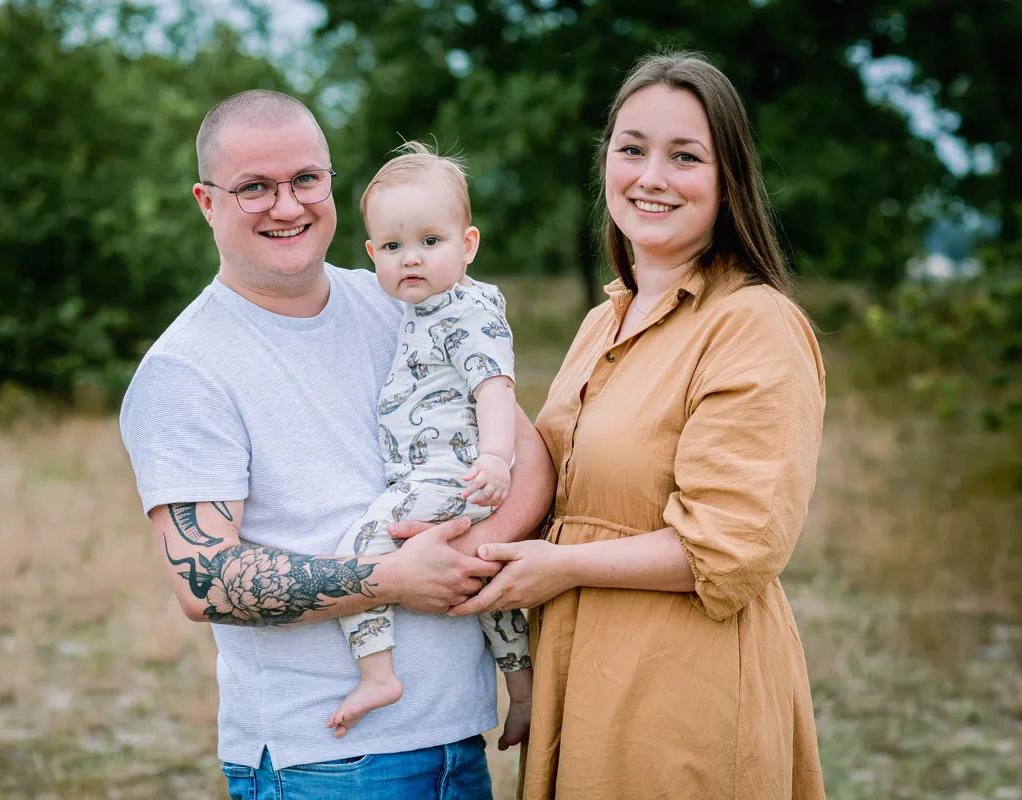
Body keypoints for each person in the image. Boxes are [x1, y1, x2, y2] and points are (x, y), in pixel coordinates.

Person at [118, 90, 555, 800]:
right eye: (254, 187)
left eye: (304, 181)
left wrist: (471, 554)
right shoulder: (185, 369)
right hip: (324, 762)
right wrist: (394, 579)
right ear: (206, 201)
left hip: (457, 740)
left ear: (330, 183)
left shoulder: (402, 298)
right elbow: (204, 581)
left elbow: (525, 451)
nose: (286, 206)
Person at [443, 52, 828, 798]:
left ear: (727, 181)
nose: (651, 176)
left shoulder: (753, 324)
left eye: (684, 156)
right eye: (632, 149)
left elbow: (731, 546)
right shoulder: (605, 317)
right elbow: (548, 472)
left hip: (680, 687)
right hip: (578, 670)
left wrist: (563, 566)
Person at [326, 142, 533, 747]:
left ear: (468, 244)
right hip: (442, 480)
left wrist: (495, 457)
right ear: (372, 255)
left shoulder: (466, 311)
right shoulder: (426, 311)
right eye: (392, 247)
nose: (409, 259)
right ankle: (522, 689)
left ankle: (378, 674)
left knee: (358, 549)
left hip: (452, 479)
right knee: (485, 589)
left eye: (429, 242)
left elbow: (494, 385)